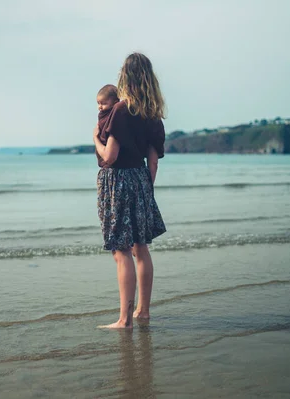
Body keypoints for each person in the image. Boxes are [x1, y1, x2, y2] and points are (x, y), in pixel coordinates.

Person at [94, 52, 167, 329]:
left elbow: (110, 156)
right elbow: (153, 162)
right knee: (141, 248)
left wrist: (94, 140)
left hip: (119, 181)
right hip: (140, 181)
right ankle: (142, 312)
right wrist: (146, 192)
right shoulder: (153, 116)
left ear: (125, 77)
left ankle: (124, 320)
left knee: (121, 250)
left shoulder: (121, 111)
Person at [95, 84, 119, 167]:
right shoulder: (102, 115)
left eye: (104, 103)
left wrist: (95, 137)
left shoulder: (114, 115)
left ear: (115, 103)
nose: (100, 107)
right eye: (98, 103)